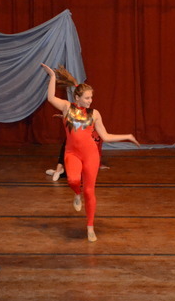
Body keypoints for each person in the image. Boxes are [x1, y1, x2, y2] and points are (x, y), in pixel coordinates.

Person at [41, 63, 139, 242]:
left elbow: (106, 136)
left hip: (90, 155)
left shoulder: (94, 114)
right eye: (87, 98)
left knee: (89, 191)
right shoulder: (66, 107)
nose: (90, 101)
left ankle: (90, 226)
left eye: (91, 97)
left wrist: (128, 136)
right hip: (72, 153)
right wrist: (53, 77)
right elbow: (50, 98)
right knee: (73, 180)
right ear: (77, 98)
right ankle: (76, 194)